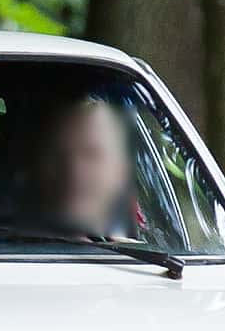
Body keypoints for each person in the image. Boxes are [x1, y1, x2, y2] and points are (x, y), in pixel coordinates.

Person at [25, 91, 141, 237]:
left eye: (91, 154)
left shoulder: (139, 254)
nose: (73, 170)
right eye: (57, 154)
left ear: (120, 171)